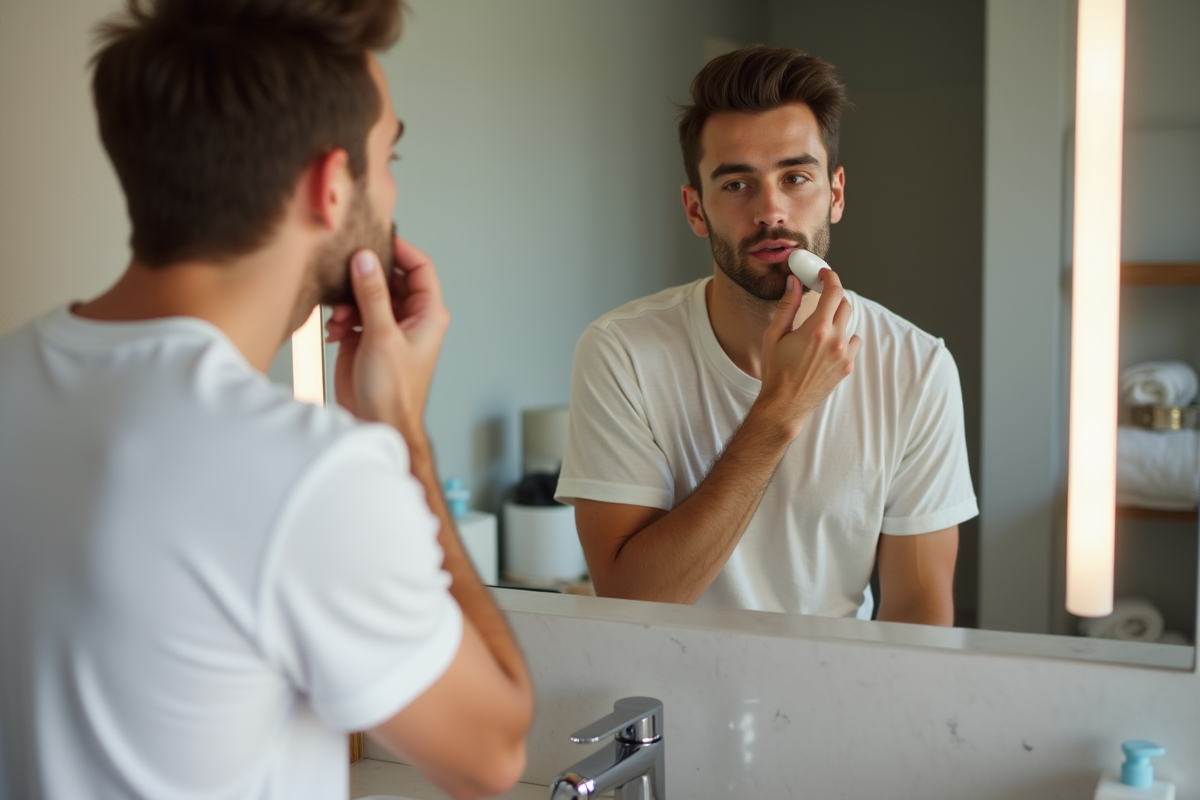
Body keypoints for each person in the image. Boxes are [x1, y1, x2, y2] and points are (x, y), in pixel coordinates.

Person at [0, 1, 533, 798]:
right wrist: (401, 434)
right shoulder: (309, 477)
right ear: (329, 186)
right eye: (389, 158)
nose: (388, 195)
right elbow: (492, 755)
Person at [555, 45, 978, 625]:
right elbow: (631, 602)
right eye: (735, 185)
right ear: (695, 209)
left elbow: (918, 613)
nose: (771, 210)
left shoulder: (916, 367)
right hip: (671, 696)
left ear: (836, 193)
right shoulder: (621, 352)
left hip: (838, 694)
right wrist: (782, 408)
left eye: (796, 177)